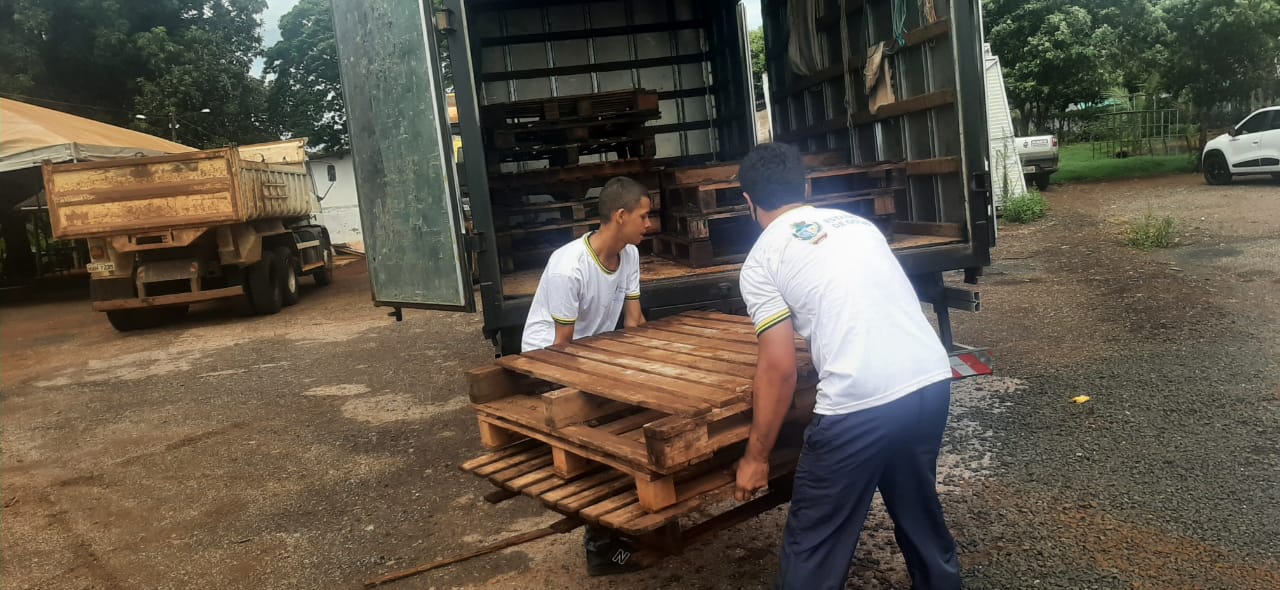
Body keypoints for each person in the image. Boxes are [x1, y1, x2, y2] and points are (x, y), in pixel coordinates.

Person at [731, 143, 961, 590]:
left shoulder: (762, 258)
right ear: (805, 187)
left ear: (748, 201)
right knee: (918, 508)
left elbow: (779, 368)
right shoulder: (859, 226)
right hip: (930, 380)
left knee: (816, 541)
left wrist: (755, 457)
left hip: (859, 406)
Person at [520, 175, 651, 575]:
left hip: (592, 353)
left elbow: (635, 321)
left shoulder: (628, 255)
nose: (649, 224)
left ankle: (625, 531)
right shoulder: (568, 267)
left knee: (640, 418)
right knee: (605, 442)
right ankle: (602, 549)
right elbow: (561, 350)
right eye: (644, 216)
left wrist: (653, 370)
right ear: (621, 215)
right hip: (549, 361)